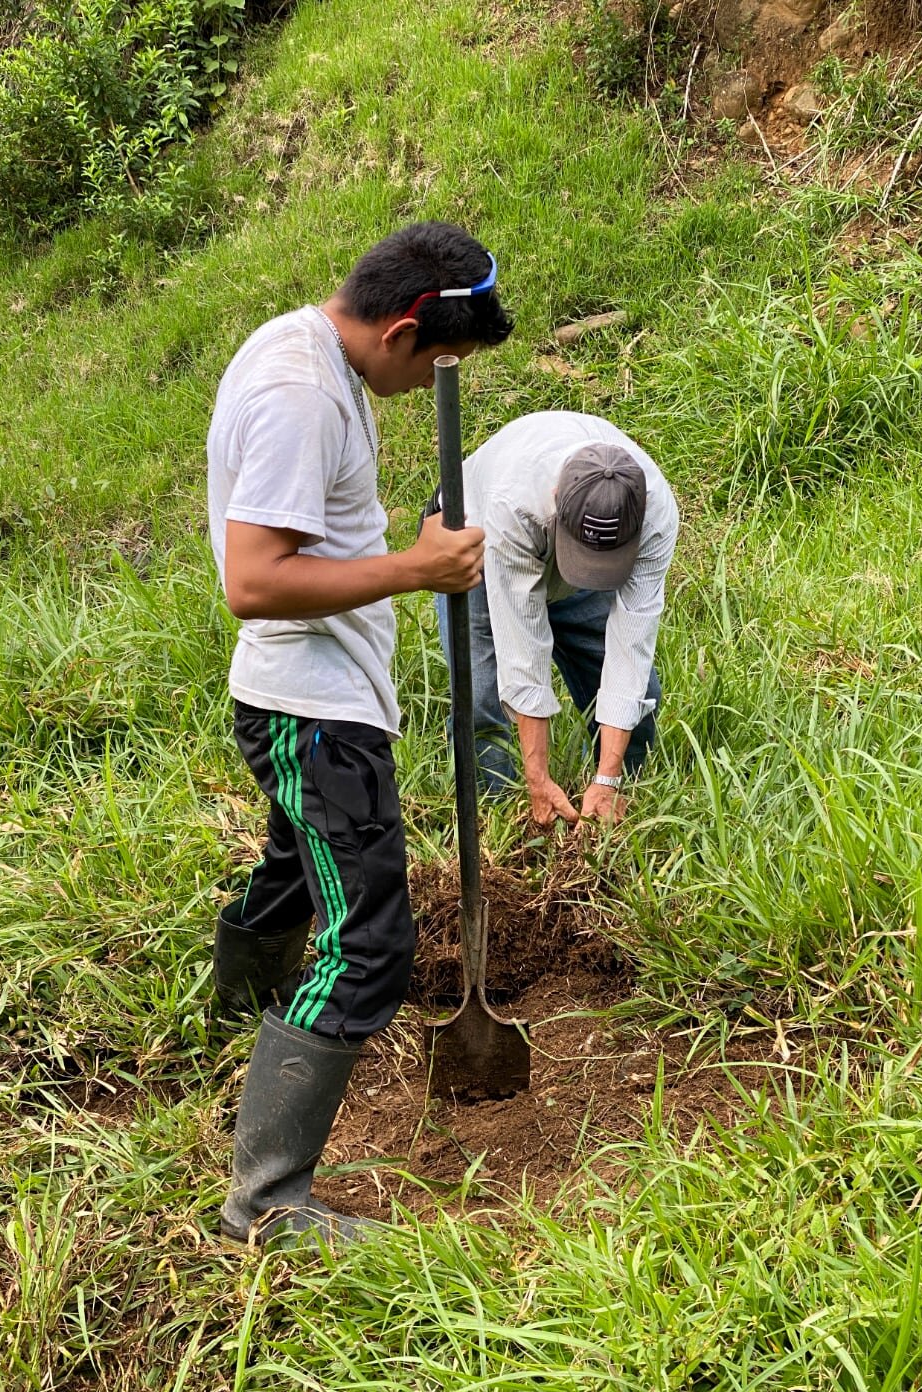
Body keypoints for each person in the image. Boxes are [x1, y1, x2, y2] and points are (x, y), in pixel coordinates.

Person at [206, 220, 513, 1246]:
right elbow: (252, 581)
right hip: (312, 709)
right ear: (401, 328)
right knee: (370, 944)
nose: (436, 385)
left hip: (311, 697)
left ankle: (231, 1021)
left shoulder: (310, 350)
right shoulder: (300, 395)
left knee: (296, 867)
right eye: (440, 364)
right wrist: (415, 569)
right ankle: (266, 1203)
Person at [432, 411, 678, 829]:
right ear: (555, 497)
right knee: (479, 703)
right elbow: (523, 654)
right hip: (478, 548)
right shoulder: (515, 504)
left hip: (564, 545)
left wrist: (608, 777)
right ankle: (505, 819)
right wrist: (538, 776)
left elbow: (630, 647)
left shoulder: (654, 516)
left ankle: (612, 812)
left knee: (640, 699)